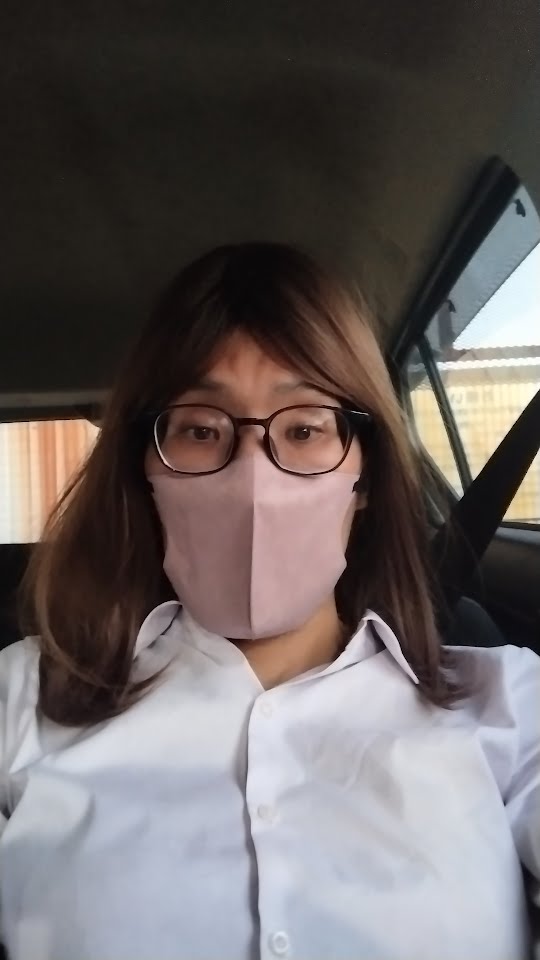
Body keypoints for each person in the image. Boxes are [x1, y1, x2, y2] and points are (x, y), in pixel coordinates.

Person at [0, 243, 538, 960]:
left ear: (366, 475)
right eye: (200, 429)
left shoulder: (509, 707)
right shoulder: (23, 699)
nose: (253, 475)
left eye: (304, 428)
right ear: (145, 471)